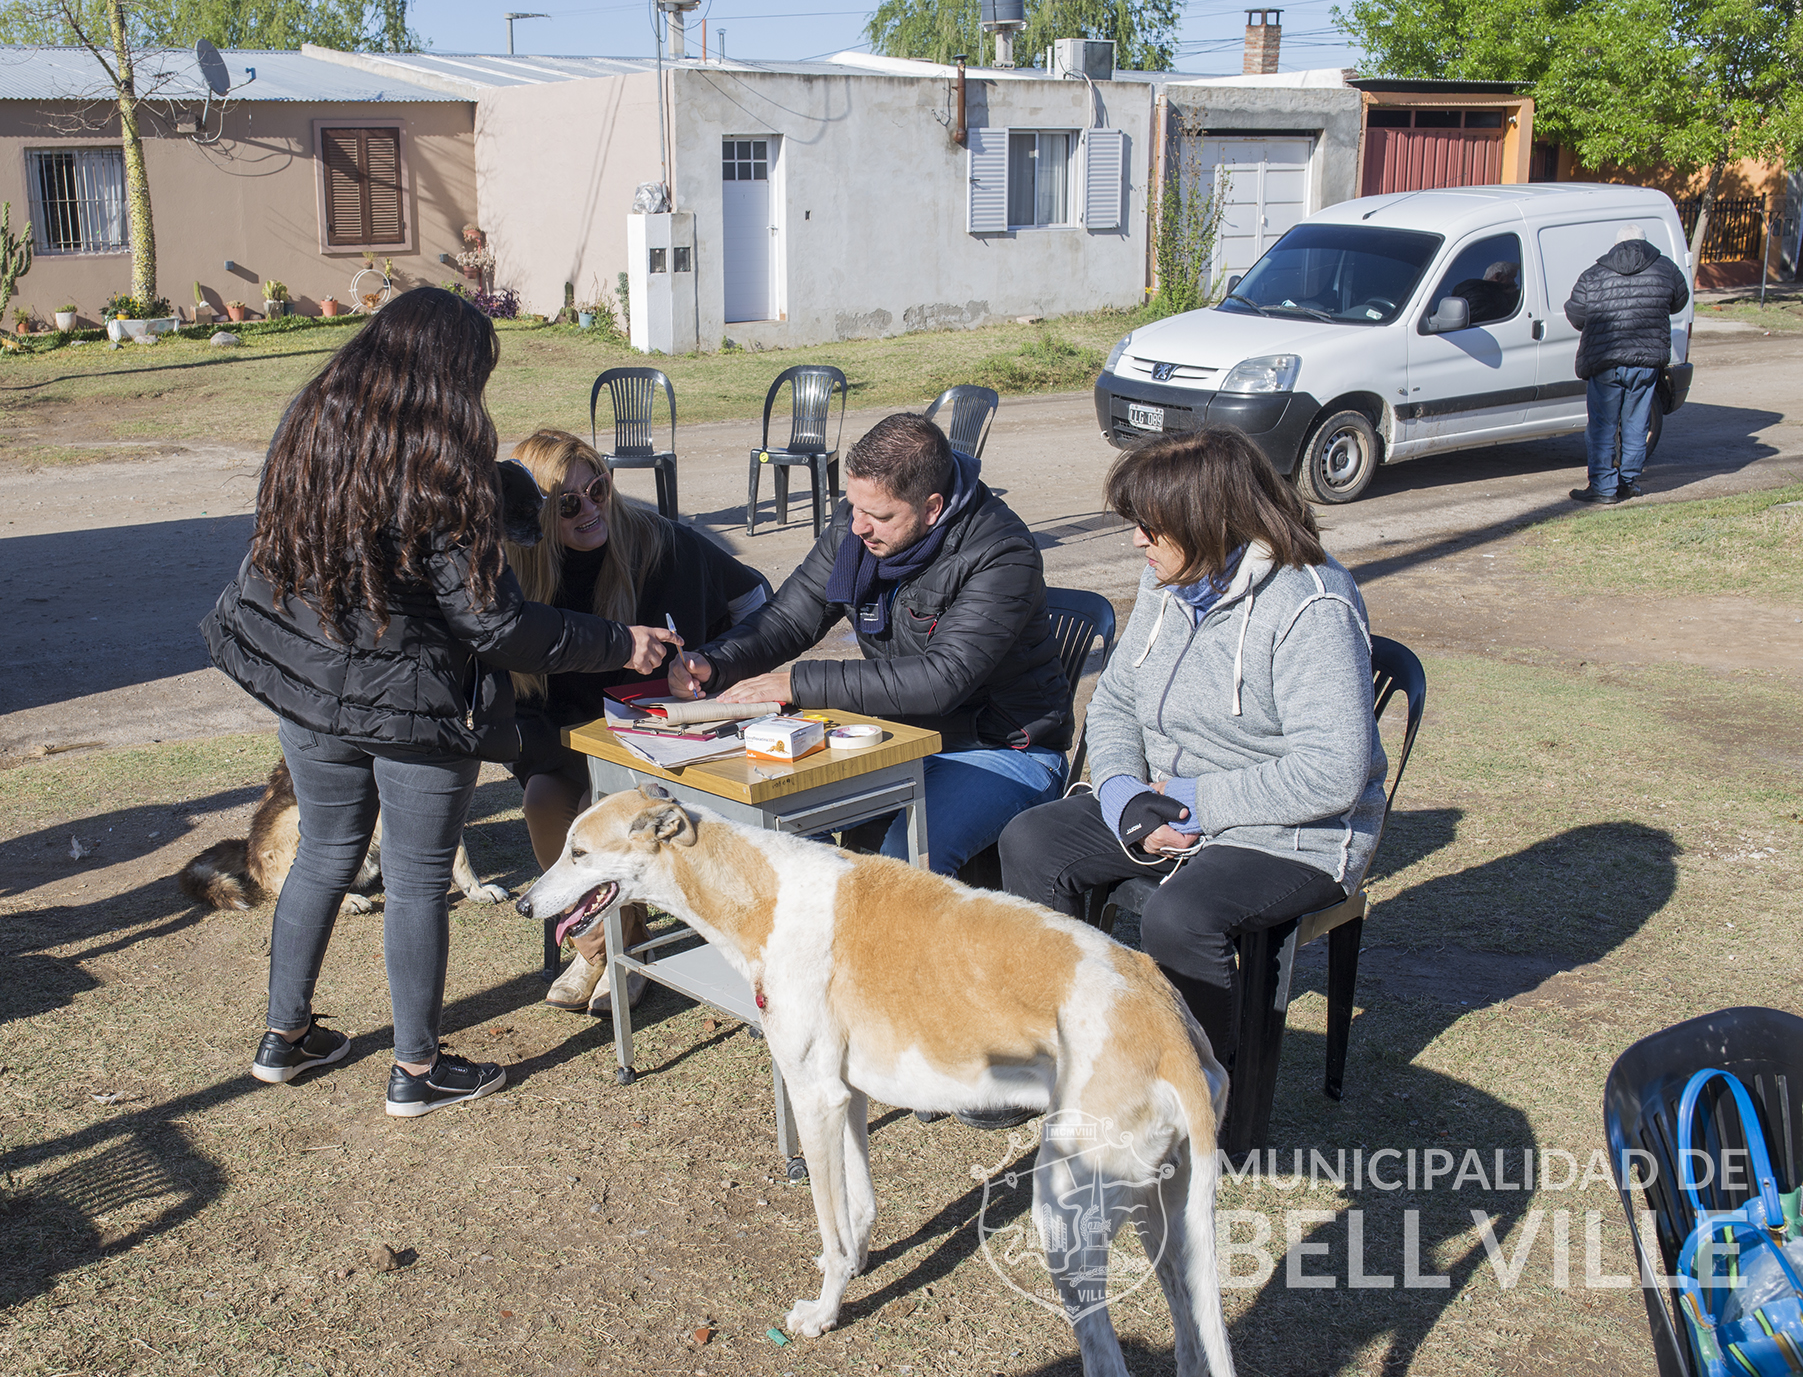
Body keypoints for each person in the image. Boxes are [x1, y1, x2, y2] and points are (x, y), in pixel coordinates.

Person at [200, 288, 680, 1118]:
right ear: (456, 374)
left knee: (325, 853)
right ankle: (416, 1071)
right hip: (412, 700)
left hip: (309, 685)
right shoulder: (443, 464)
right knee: (419, 878)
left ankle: (286, 1037)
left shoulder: (311, 425)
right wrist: (619, 643)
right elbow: (494, 623)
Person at [997, 427, 1387, 1067]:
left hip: (1291, 833)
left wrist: (1191, 802)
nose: (1137, 541)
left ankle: (1203, 1096)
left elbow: (1332, 773)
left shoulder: (1312, 606)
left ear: (1208, 522)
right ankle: (1055, 1053)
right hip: (1166, 802)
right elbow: (1115, 702)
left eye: (1151, 528)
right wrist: (1123, 794)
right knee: (1032, 841)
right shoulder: (1167, 581)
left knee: (1179, 917)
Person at [668, 412, 1073, 877]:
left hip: (1003, 750)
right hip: (901, 737)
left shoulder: (1001, 551)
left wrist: (793, 684)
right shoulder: (858, 524)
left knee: (901, 864)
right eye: (852, 505)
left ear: (932, 507)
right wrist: (714, 662)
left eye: (878, 516)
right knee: (777, 818)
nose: (857, 526)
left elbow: (940, 680)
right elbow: (790, 616)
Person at [504, 429, 769, 1014]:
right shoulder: (515, 571)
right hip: (570, 739)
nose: (590, 508)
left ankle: (618, 951)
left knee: (602, 804)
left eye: (598, 488)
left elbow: (758, 600)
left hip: (659, 734)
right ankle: (603, 946)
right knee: (544, 799)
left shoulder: (662, 542)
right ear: (538, 512)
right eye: (567, 502)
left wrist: (719, 663)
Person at [1565, 224, 1690, 505]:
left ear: (1616, 245)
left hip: (1605, 359)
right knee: (1636, 422)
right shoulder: (1666, 269)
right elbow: (1679, 302)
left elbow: (1576, 314)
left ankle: (1603, 486)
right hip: (1646, 360)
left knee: (1602, 425)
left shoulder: (1594, 274)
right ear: (1645, 243)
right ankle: (1628, 482)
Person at [1449, 259, 1520, 325]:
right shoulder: (1477, 292)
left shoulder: (1489, 293)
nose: (1514, 282)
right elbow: (1484, 317)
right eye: (1511, 277)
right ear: (1498, 276)